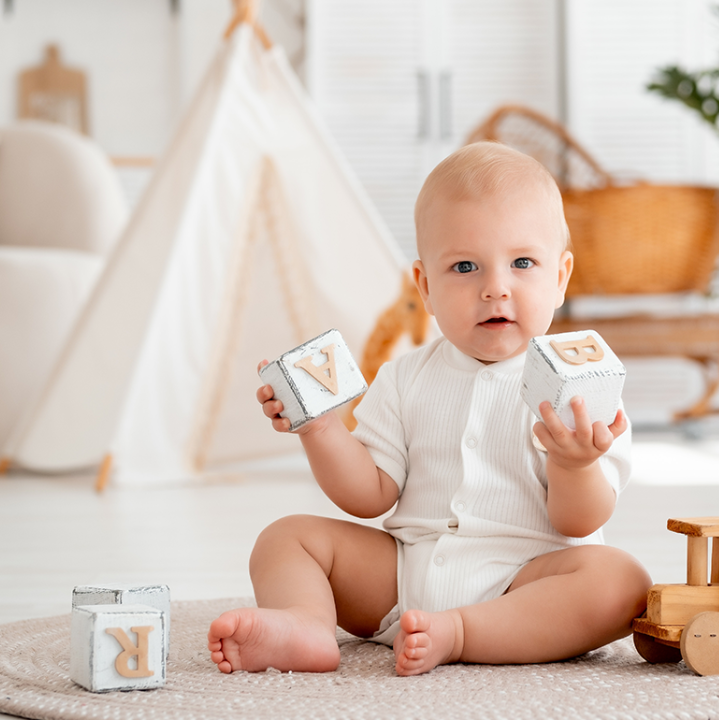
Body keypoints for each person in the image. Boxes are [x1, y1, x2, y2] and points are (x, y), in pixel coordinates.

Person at [207, 142, 651, 677]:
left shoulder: (583, 386)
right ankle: (304, 623)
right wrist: (320, 427)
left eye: (523, 263)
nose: (495, 288)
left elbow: (578, 520)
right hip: (402, 576)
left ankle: (463, 632)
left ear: (560, 276)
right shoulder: (404, 377)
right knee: (285, 537)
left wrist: (575, 463)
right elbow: (369, 495)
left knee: (622, 582)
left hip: (526, 584)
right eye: (465, 266)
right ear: (425, 287)